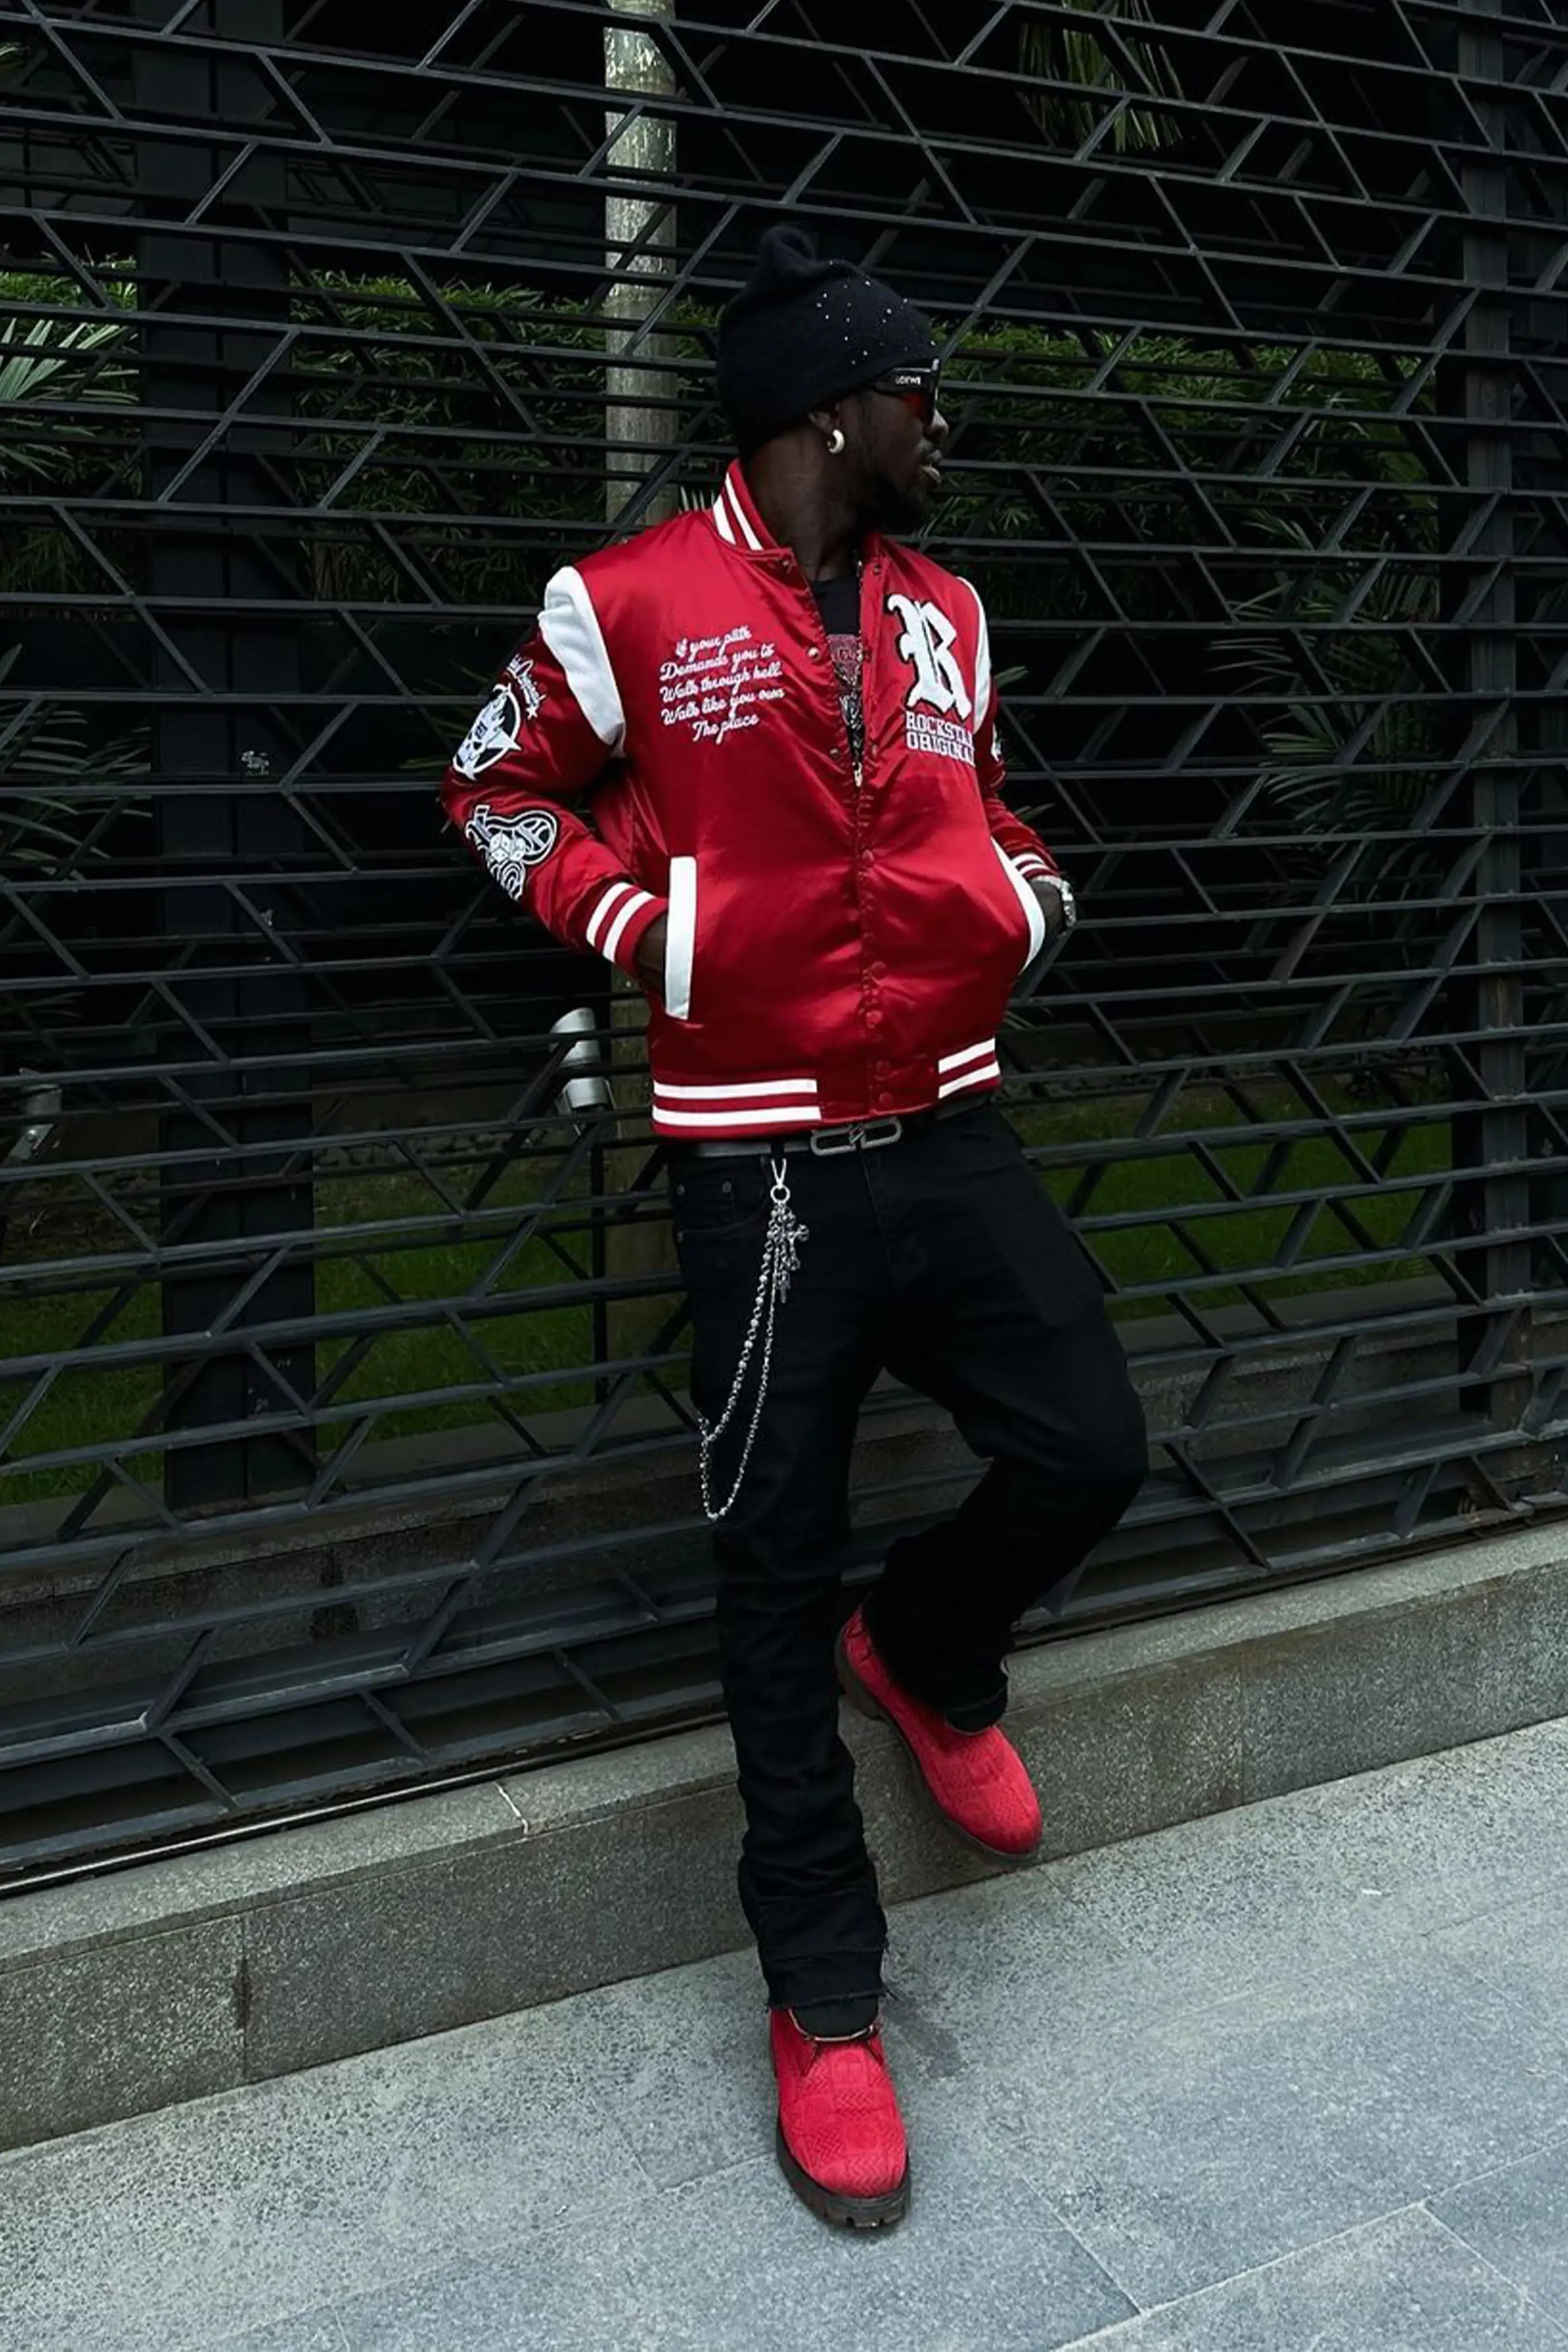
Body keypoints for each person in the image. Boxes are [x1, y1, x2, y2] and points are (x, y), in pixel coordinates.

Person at [441, 226, 1147, 2231]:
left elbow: (983, 801)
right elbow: (491, 787)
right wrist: (637, 922)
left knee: (1089, 1442)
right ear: (833, 411)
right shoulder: (625, 603)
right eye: (922, 391)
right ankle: (825, 1996)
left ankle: (920, 1646)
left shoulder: (947, 607)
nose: (942, 426)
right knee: (767, 1572)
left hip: (949, 1116)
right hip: (754, 1165)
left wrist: (1024, 898)